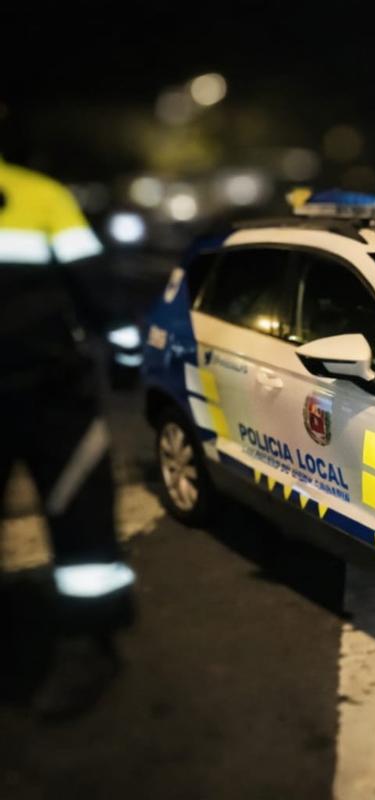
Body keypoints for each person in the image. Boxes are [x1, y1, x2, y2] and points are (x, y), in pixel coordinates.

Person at [0, 137, 134, 719]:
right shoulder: (40, 195)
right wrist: (127, 356)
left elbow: (96, 286)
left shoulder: (40, 195)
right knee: (80, 519)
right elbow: (98, 288)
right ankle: (88, 646)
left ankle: (85, 646)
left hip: (54, 394)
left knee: (83, 521)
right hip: (56, 394)